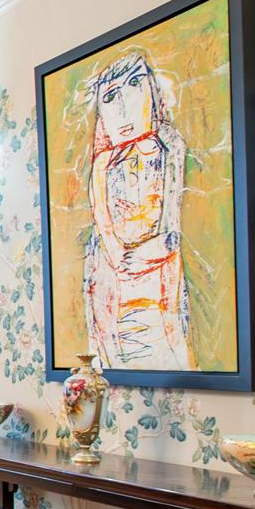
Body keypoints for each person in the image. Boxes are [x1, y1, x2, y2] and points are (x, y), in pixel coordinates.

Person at [80, 47, 191, 369]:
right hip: (113, 272)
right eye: (110, 97)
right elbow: (103, 219)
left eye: (134, 86)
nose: (123, 107)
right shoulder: (103, 163)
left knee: (164, 337)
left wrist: (156, 250)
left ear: (151, 92)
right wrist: (119, 256)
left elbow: (172, 215)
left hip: (160, 268)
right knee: (117, 344)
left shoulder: (170, 145)